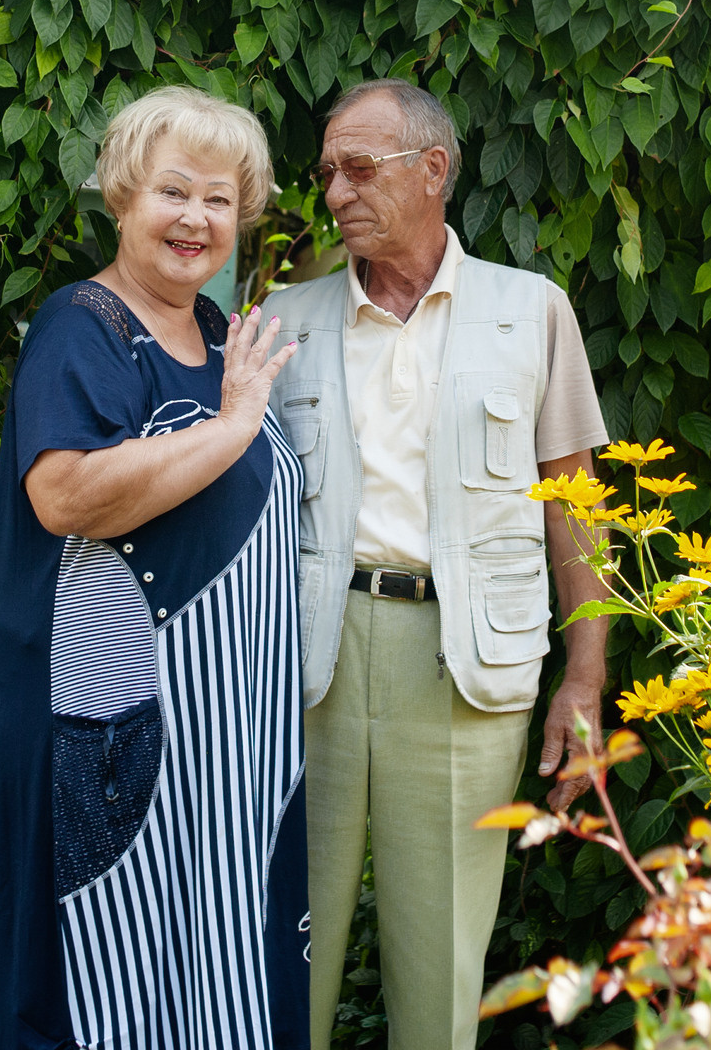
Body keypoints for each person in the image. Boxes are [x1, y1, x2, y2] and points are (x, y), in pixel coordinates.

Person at [263, 77, 611, 1050]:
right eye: (328, 171)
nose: (336, 192)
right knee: (276, 962)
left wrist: (583, 678)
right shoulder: (283, 319)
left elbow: (576, 508)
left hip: (466, 667)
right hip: (300, 667)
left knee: (442, 967)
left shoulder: (529, 311)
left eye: (359, 168)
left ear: (434, 171)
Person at [0, 85, 309, 1050]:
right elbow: (65, 495)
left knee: (195, 988)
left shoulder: (215, 336)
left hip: (211, 747)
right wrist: (237, 426)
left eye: (221, 200)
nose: (196, 218)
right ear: (123, 197)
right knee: (78, 986)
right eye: (174, 191)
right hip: (83, 734)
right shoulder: (86, 324)